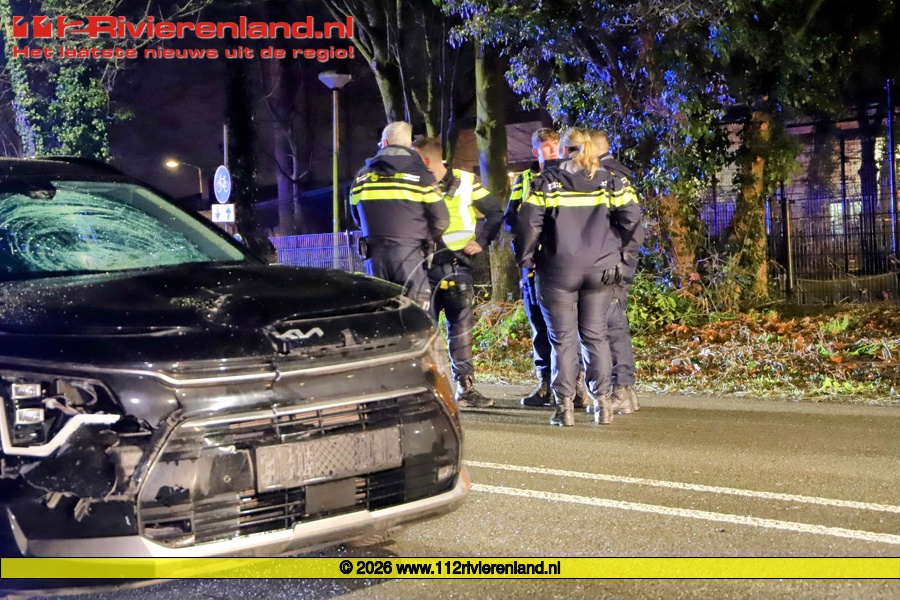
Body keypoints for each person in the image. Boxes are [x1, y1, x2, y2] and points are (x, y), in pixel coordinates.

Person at [515, 128, 642, 426]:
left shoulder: (545, 182)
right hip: (601, 270)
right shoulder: (612, 181)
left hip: (557, 271)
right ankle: (603, 405)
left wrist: (526, 260)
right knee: (596, 337)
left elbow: (527, 226)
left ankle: (565, 407)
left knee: (563, 341)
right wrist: (622, 257)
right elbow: (633, 221)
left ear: (562, 150)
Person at [413, 137, 504, 408]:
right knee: (424, 332)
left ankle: (466, 387)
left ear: (426, 160)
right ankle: (427, 390)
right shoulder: (414, 182)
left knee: (460, 330)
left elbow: (494, 211)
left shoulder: (465, 181)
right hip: (423, 267)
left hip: (456, 265)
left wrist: (482, 242)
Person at [503, 129, 590, 409]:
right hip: (535, 263)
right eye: (546, 147)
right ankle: (545, 384)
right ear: (536, 151)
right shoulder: (525, 180)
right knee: (540, 325)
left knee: (571, 326)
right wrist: (526, 227)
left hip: (563, 261)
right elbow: (509, 218)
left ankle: (576, 386)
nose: (552, 151)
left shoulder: (570, 176)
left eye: (555, 145)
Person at [349, 122, 449, 309]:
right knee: (414, 315)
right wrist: (426, 239)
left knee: (379, 315)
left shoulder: (362, 177)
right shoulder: (421, 176)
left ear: (385, 142)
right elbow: (441, 220)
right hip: (410, 256)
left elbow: (356, 216)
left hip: (374, 259)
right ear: (409, 144)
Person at [590, 130, 643, 414]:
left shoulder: (607, 177)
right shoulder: (619, 174)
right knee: (614, 323)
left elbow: (630, 222)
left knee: (611, 326)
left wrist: (618, 256)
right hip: (619, 260)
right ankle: (626, 392)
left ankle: (621, 389)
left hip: (613, 262)